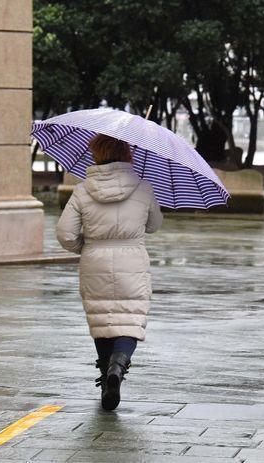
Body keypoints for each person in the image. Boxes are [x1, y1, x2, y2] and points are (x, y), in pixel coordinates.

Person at [56, 134, 163, 410]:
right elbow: (154, 225)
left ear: (96, 154)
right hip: (132, 261)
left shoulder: (82, 190)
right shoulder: (143, 187)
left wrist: (86, 246)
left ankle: (106, 381)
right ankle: (118, 365)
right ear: (128, 154)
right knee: (130, 319)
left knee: (102, 320)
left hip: (95, 260)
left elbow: (65, 233)